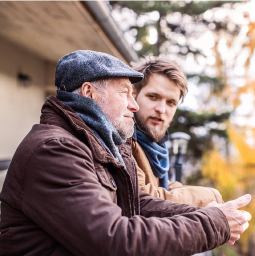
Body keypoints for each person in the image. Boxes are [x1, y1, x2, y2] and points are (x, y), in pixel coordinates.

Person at [0, 50, 251, 256]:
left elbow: (137, 203)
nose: (134, 104)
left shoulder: (101, 144)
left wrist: (210, 214)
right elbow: (115, 241)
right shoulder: (55, 150)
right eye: (125, 92)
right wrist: (212, 224)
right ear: (89, 94)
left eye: (134, 94)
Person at [131, 57, 223, 207]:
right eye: (153, 97)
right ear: (133, 94)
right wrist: (213, 196)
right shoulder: (123, 139)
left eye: (170, 102)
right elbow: (143, 197)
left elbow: (166, 188)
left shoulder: (156, 149)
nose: (161, 109)